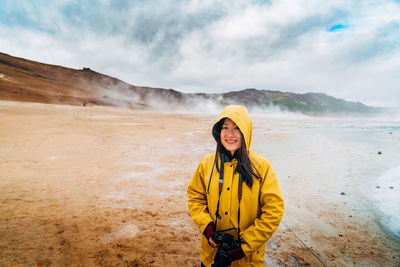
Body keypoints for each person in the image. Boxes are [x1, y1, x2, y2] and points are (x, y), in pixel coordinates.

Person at [187, 105, 284, 267]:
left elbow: (273, 212)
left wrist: (241, 248)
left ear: (245, 131)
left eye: (236, 128)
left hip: (246, 260)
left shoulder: (262, 166)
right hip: (212, 255)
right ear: (219, 131)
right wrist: (209, 230)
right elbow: (196, 198)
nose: (230, 134)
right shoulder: (207, 163)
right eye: (225, 127)